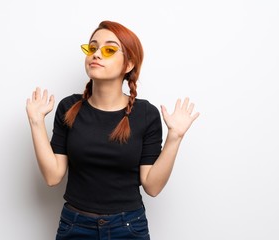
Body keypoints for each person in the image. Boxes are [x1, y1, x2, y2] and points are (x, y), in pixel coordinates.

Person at [26, 20, 199, 240]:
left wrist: (175, 137)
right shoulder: (68, 108)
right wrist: (36, 122)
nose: (96, 54)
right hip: (75, 226)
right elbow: (52, 177)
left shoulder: (146, 114)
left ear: (128, 65)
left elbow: (152, 187)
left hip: (128, 227)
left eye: (108, 49)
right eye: (92, 47)